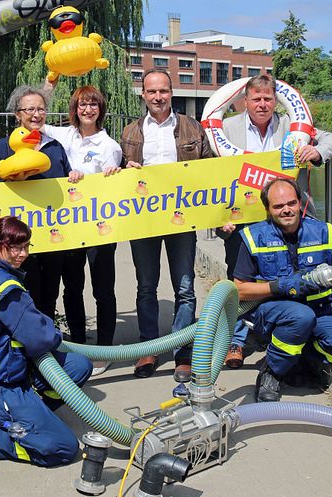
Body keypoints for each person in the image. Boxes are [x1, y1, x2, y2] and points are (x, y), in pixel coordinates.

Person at [0, 216, 91, 466]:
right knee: (63, 448)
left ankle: (30, 415)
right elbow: (40, 337)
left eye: (26, 247)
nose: (23, 254)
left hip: (1, 370)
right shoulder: (5, 288)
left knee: (78, 365)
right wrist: (54, 334)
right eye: (16, 248)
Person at [220, 74, 332, 369]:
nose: (262, 104)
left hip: (282, 215)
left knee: (289, 273)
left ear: (276, 101)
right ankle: (235, 341)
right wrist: (219, 217)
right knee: (239, 281)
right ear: (244, 102)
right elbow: (208, 173)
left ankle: (290, 328)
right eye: (256, 99)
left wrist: (317, 152)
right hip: (240, 219)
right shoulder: (226, 127)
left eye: (268, 99)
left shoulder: (290, 126)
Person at [233, 178, 332, 402]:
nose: (286, 210)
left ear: (300, 203)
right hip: (272, 314)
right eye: (278, 206)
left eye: (291, 203)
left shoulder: (325, 233)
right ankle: (272, 372)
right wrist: (278, 286)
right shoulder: (253, 237)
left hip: (319, 310)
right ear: (267, 209)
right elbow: (239, 290)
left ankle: (304, 356)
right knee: (299, 316)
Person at [120, 69, 214, 381]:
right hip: (144, 220)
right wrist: (126, 169)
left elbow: (211, 170)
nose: (158, 97)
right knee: (146, 286)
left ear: (171, 92)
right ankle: (148, 346)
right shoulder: (130, 132)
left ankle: (182, 351)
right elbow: (117, 176)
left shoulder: (192, 128)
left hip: (182, 217)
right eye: (151, 92)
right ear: (143, 95)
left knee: (185, 287)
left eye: (163, 91)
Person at [43, 85, 122, 376]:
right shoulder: (65, 135)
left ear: (100, 110)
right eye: (81, 105)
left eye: (93, 105)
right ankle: (77, 343)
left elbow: (112, 187)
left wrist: (111, 175)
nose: (87, 110)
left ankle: (104, 349)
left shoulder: (109, 146)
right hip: (70, 227)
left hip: (101, 228)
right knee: (72, 287)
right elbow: (33, 118)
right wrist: (49, 87)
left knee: (103, 289)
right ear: (74, 109)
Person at [0, 85, 83, 324]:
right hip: (17, 241)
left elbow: (66, 181)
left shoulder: (54, 147)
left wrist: (74, 177)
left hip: (51, 236)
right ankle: (24, 352)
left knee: (49, 296)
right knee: (21, 295)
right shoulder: (3, 148)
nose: (36, 114)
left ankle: (46, 349)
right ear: (17, 114)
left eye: (41, 109)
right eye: (29, 109)